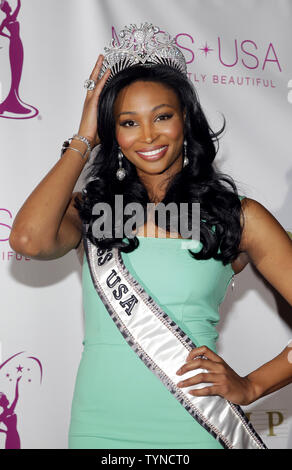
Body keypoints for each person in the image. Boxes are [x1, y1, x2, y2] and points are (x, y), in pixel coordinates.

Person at [8, 23, 292, 450]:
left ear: (186, 121)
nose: (148, 136)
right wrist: (85, 136)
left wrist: (252, 386)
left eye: (162, 116)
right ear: (114, 134)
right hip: (99, 428)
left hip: (197, 426)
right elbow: (28, 240)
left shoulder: (237, 216)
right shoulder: (93, 210)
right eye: (127, 122)